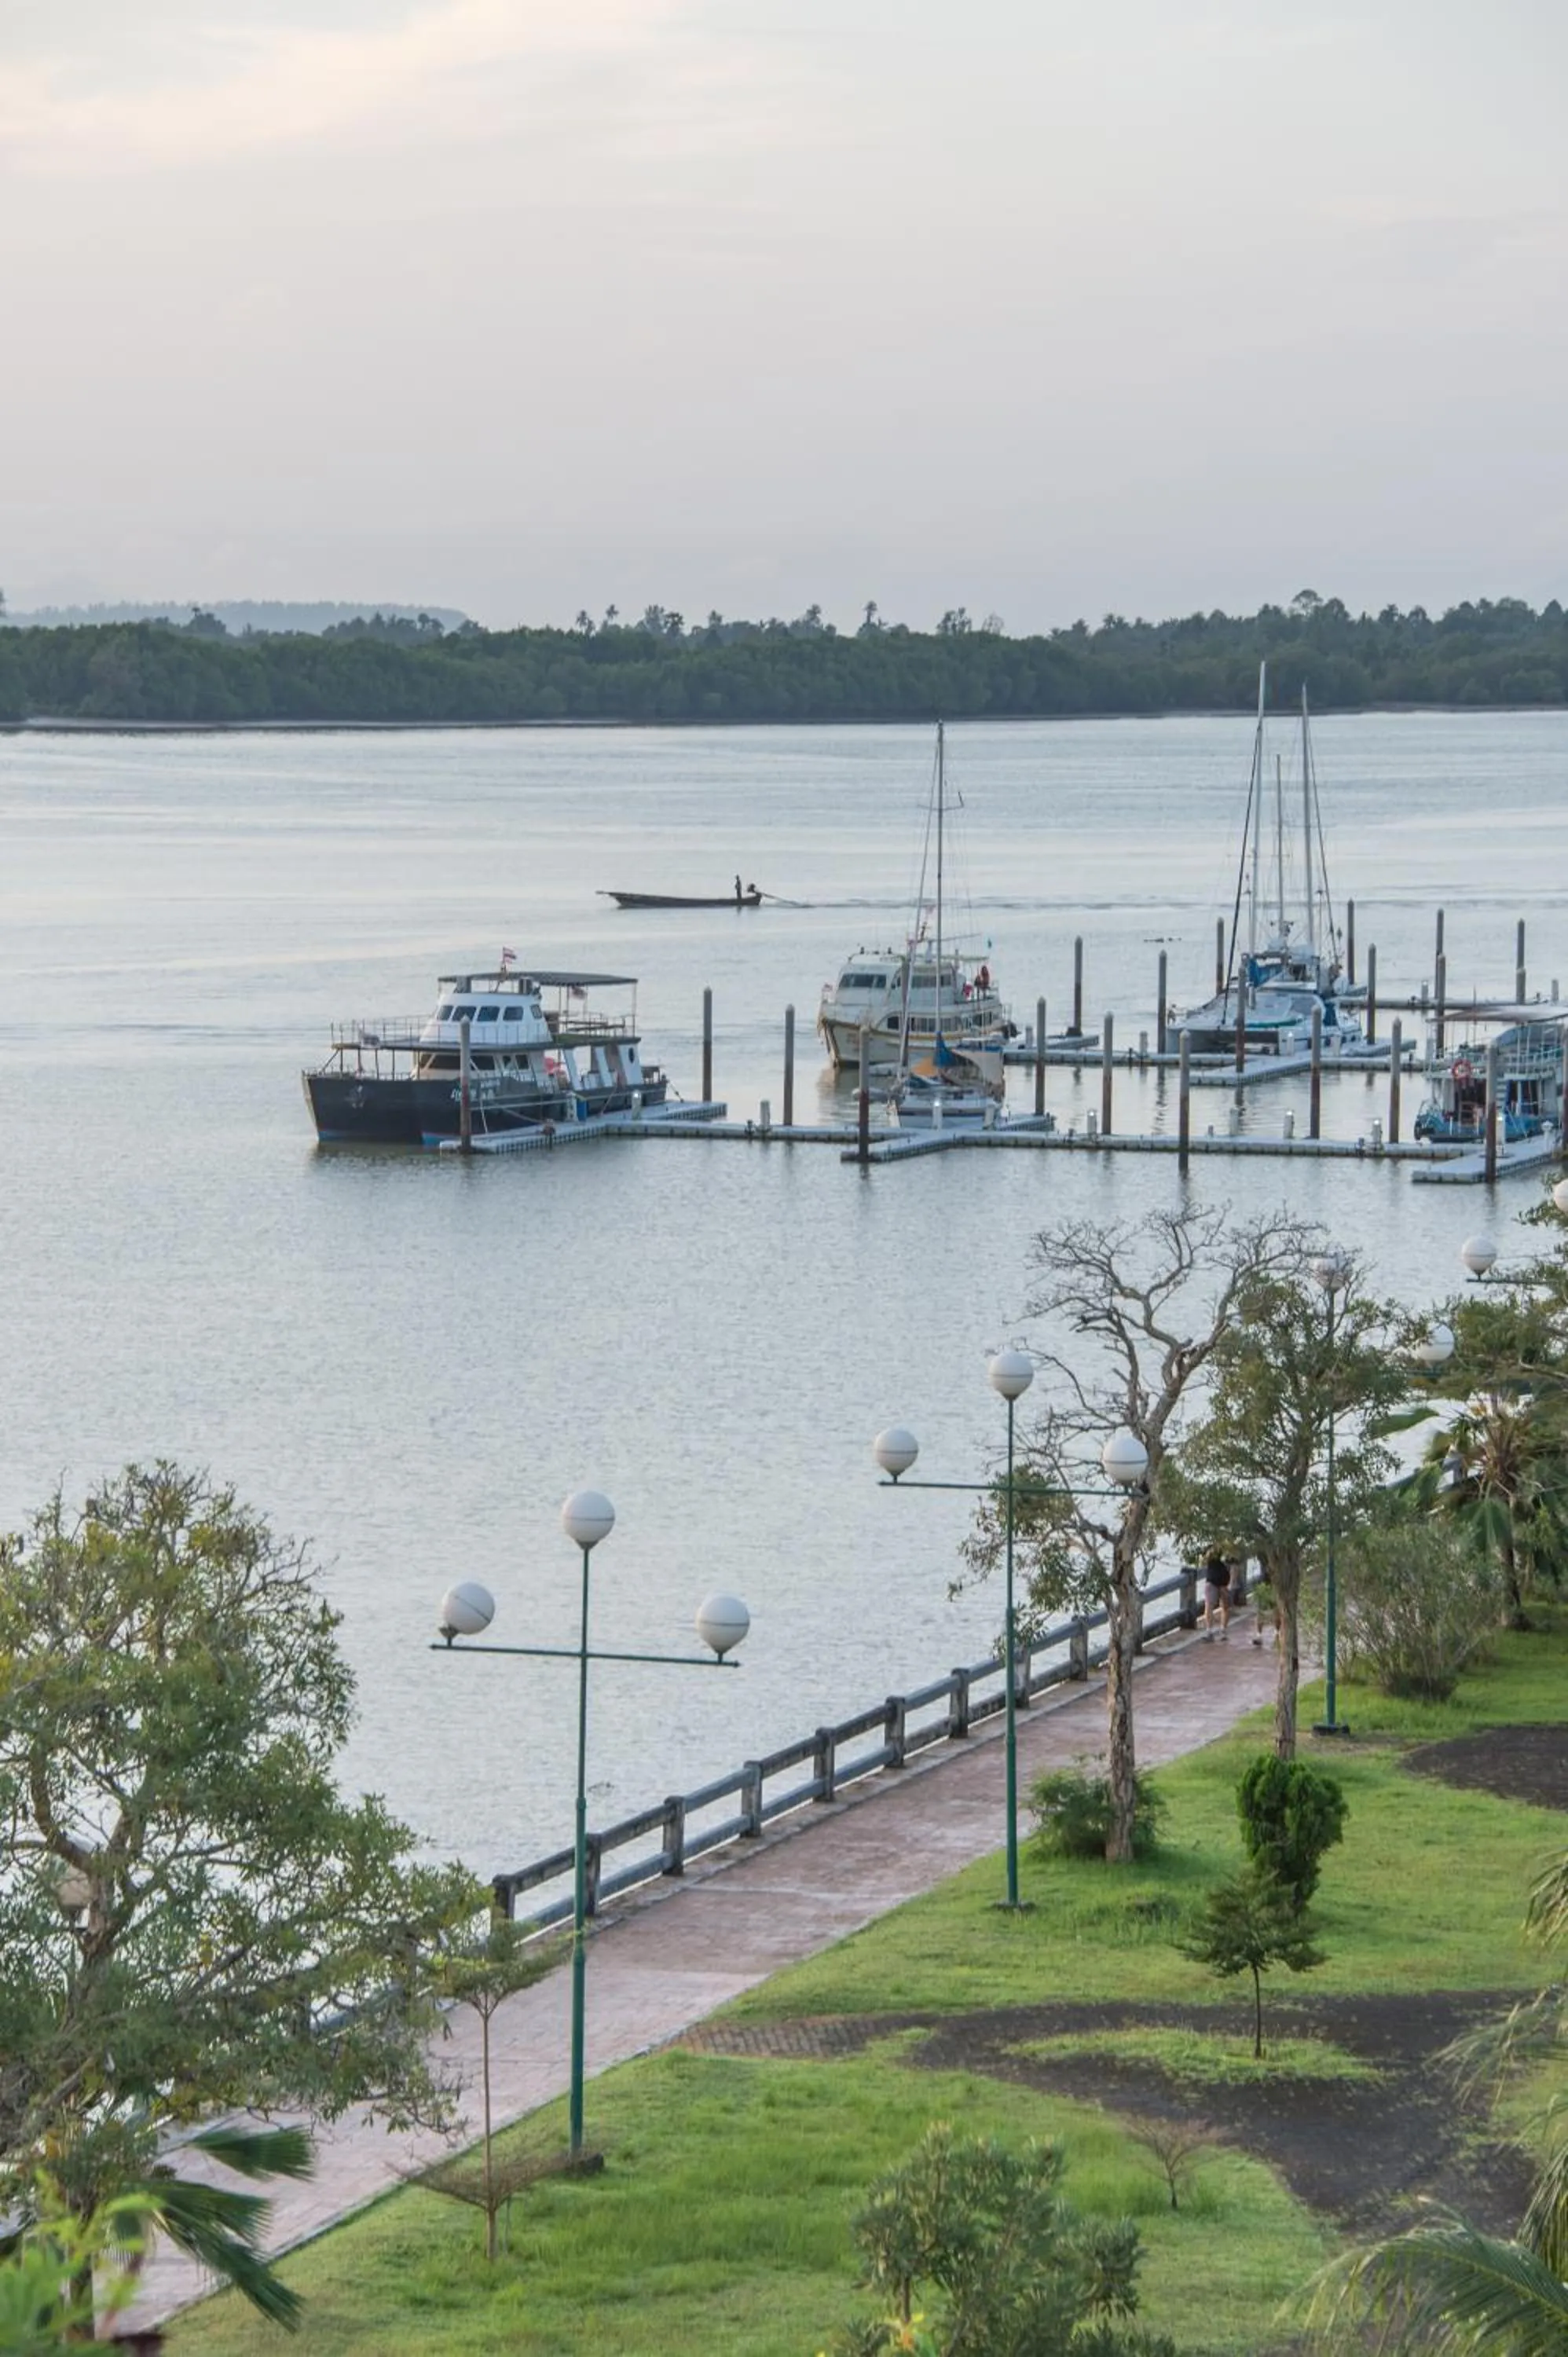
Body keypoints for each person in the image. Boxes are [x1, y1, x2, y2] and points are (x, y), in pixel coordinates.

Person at [1202, 1549, 1231, 1640]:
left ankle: (1223, 1630)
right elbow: (1203, 1561)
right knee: (1209, 1607)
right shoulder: (1210, 1549)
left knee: (1225, 1607)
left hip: (1224, 1582)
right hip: (1212, 1581)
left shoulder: (1228, 1548)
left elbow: (1235, 1560)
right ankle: (1209, 1631)